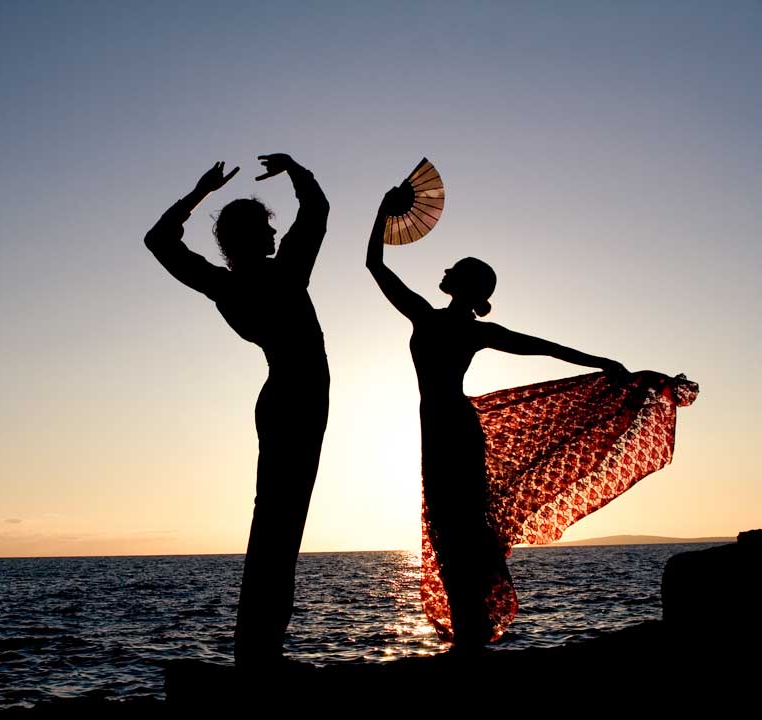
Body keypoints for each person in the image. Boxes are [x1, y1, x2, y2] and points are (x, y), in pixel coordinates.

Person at [365, 185, 630, 650]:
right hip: (450, 427)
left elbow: (375, 265)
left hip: (451, 429)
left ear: (463, 285)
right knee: (457, 527)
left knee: (457, 527)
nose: (443, 270)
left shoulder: (436, 321)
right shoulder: (450, 324)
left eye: (452, 269)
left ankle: (471, 631)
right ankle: (472, 629)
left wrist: (382, 217)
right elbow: (546, 346)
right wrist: (602, 361)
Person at [144, 154, 330, 667]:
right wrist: (295, 169)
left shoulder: (224, 286)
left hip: (278, 398)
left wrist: (198, 193)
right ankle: (259, 652)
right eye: (267, 230)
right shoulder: (286, 273)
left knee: (272, 519)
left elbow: (159, 241)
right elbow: (316, 210)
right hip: (300, 397)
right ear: (259, 238)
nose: (273, 236)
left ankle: (258, 645)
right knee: (281, 522)